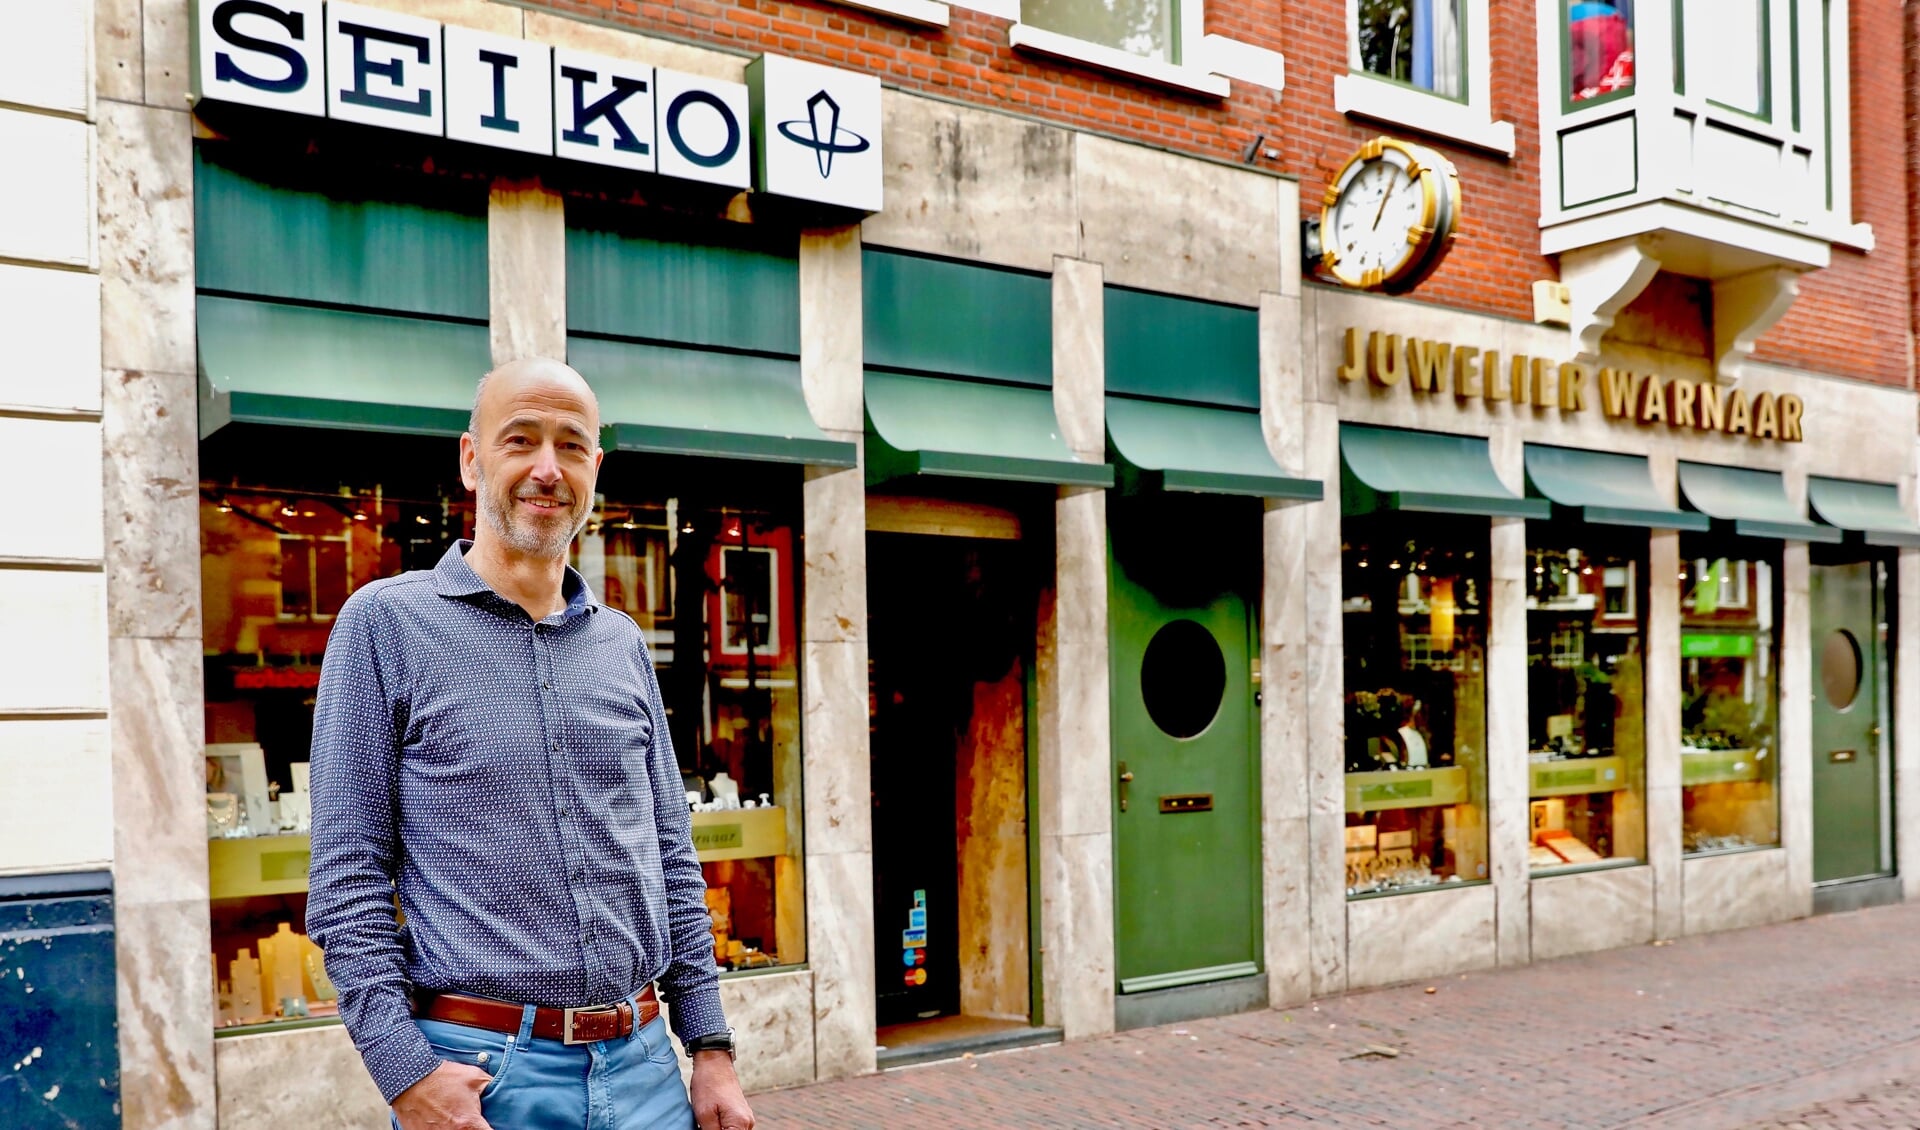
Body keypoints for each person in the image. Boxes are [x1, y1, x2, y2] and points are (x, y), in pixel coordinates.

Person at [307, 357, 755, 1130]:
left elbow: (670, 857)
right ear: (471, 459)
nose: (547, 469)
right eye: (521, 440)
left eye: (571, 446)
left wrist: (709, 1048)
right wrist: (405, 1073)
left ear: (595, 469)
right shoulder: (384, 625)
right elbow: (347, 881)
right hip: (482, 1076)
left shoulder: (622, 644)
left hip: (648, 1065)